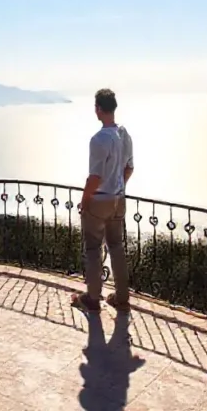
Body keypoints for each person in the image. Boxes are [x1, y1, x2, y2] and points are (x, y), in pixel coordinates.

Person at [71, 88, 134, 313]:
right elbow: (129, 168)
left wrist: (85, 200)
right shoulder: (124, 135)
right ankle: (122, 298)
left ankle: (92, 298)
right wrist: (119, 187)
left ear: (98, 109)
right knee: (116, 246)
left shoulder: (99, 140)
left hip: (100, 201)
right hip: (118, 199)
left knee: (93, 248)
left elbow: (95, 177)